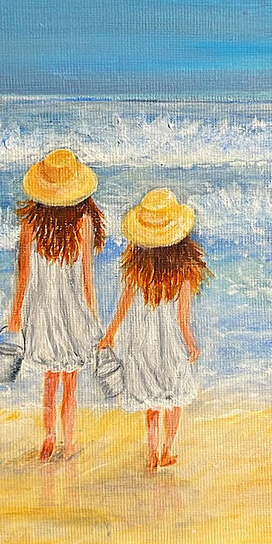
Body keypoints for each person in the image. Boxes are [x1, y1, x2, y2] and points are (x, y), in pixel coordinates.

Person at [98, 189, 211, 472]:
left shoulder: (137, 269)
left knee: (151, 402)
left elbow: (123, 304)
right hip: (171, 344)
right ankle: (167, 450)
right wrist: (191, 344)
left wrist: (111, 333)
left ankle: (151, 454)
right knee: (173, 400)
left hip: (141, 343)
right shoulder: (184, 271)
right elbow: (182, 317)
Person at [8, 149, 105, 461]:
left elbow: (24, 274)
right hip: (72, 308)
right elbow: (86, 276)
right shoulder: (84, 222)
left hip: (43, 309)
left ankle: (49, 437)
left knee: (49, 379)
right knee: (70, 382)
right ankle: (70, 440)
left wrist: (16, 315)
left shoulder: (30, 223)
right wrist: (92, 316)